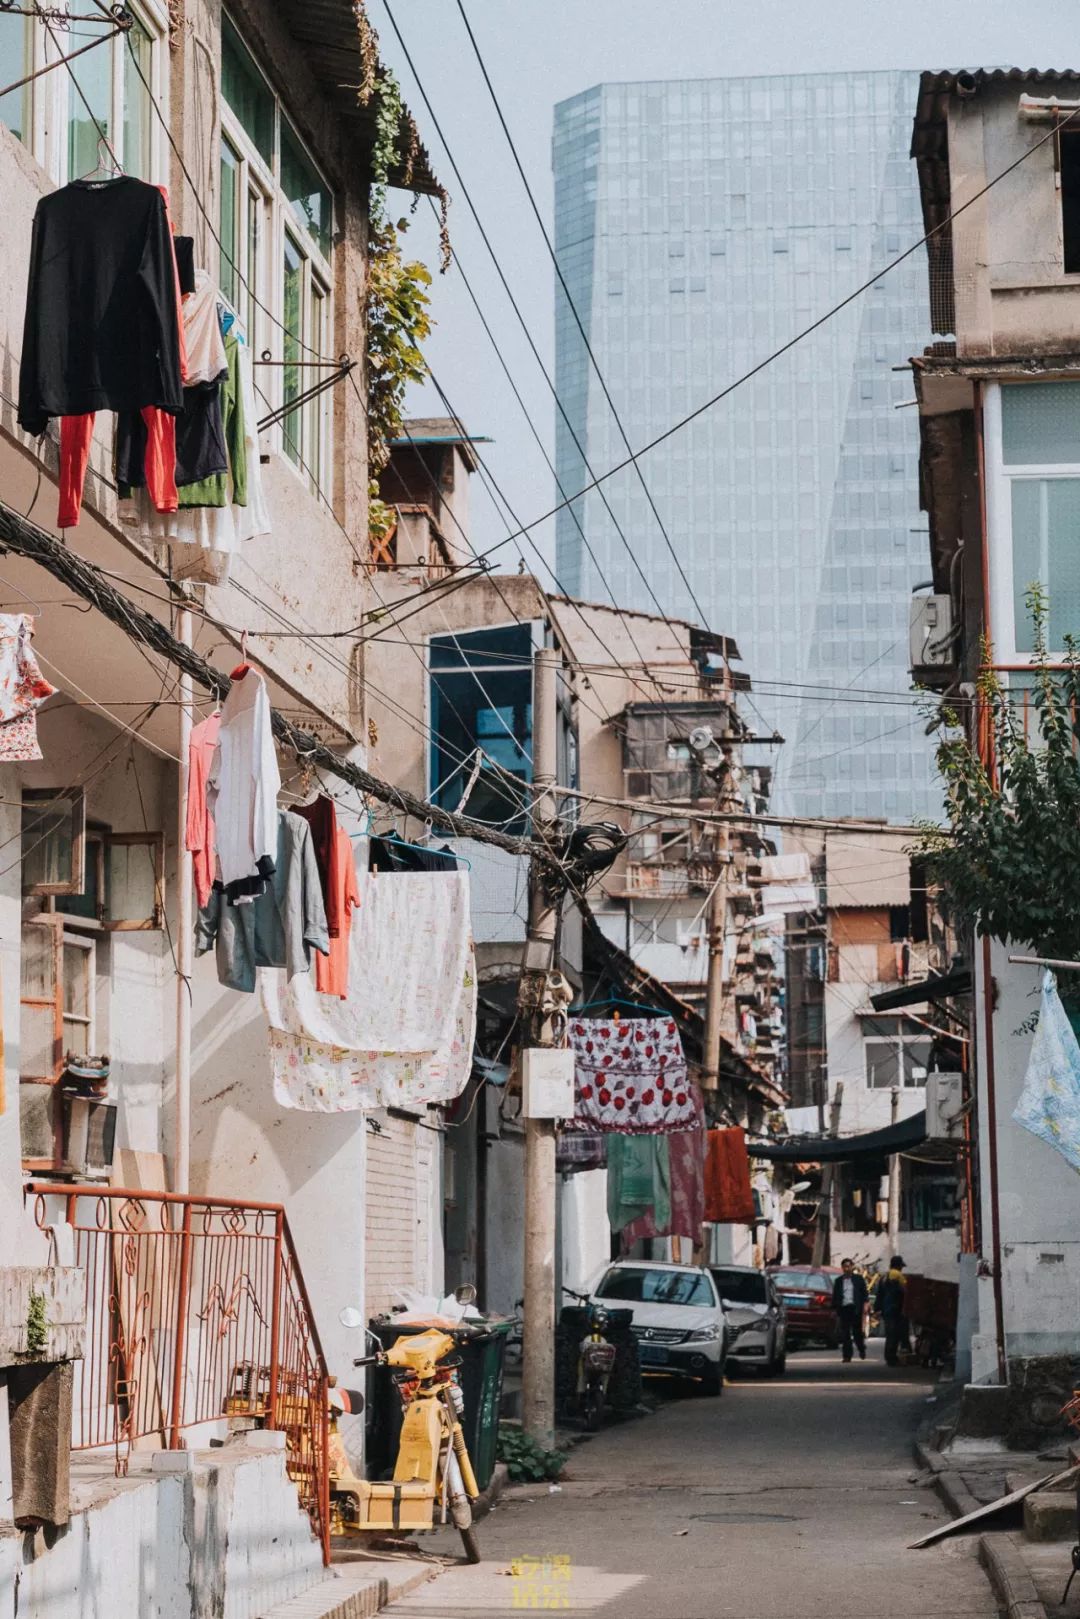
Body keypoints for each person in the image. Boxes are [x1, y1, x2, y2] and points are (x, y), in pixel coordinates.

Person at [831, 1258, 868, 1363]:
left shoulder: (859, 1279)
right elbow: (835, 1296)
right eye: (845, 1266)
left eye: (849, 1266)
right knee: (845, 1334)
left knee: (857, 1333)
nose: (847, 1269)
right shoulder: (838, 1281)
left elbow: (864, 1294)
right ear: (842, 1268)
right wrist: (834, 1309)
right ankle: (847, 1356)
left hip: (855, 1309)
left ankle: (861, 1349)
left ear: (852, 1267)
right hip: (844, 1309)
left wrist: (866, 1305)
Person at [876, 1255, 909, 1366]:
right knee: (895, 1334)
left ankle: (889, 1357)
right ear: (899, 1266)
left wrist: (878, 1309)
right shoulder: (897, 1275)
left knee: (890, 1334)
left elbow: (879, 1294)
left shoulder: (884, 1276)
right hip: (896, 1309)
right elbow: (905, 1290)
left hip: (887, 1309)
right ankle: (892, 1358)